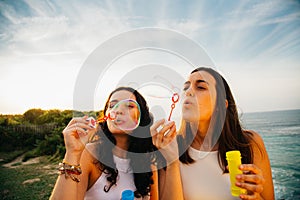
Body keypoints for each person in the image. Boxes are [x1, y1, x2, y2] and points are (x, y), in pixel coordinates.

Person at [151, 67, 275, 199]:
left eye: (201, 87)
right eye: (186, 87)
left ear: (221, 104)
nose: (188, 92)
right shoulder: (169, 147)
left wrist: (254, 197)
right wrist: (172, 162)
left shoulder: (250, 143)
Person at [50, 86, 160, 200]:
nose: (118, 110)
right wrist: (72, 153)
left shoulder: (148, 162)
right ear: (106, 116)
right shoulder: (89, 155)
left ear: (141, 118)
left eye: (129, 106)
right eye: (112, 106)